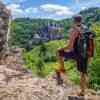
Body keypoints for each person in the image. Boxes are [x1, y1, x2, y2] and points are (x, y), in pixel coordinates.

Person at [55, 15, 94, 96]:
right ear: (81, 20)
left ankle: (62, 68)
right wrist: (90, 55)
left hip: (77, 54)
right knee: (83, 73)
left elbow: (70, 46)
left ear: (74, 21)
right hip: (86, 54)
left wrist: (61, 48)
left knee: (58, 52)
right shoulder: (86, 28)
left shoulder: (73, 30)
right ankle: (82, 92)